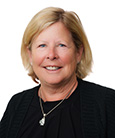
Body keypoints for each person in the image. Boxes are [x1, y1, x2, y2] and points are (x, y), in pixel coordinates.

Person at [0, 7, 115, 138]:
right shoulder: (17, 104)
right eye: (42, 45)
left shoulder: (107, 104)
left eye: (61, 45)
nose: (51, 55)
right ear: (30, 54)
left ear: (78, 52)